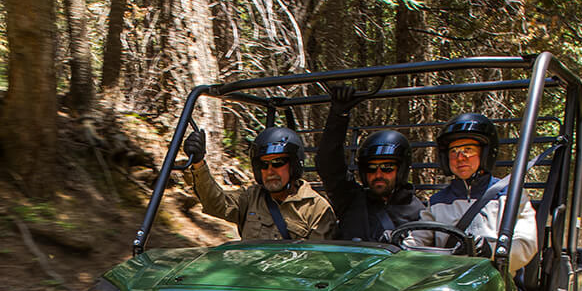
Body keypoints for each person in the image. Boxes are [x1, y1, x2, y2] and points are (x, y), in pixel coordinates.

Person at [416, 112, 538, 272]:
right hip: (447, 284)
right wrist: (397, 246)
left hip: (496, 282)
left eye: (468, 150)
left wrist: (491, 250)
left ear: (485, 153)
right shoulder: (438, 201)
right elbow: (417, 240)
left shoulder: (510, 196)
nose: (460, 158)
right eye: (454, 151)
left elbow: (526, 245)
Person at [181, 127, 335, 241]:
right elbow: (215, 203)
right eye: (263, 165)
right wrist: (198, 163)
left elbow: (319, 263)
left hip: (290, 282)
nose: (270, 171)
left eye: (278, 162)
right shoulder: (250, 198)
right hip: (249, 279)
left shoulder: (316, 208)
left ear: (294, 165)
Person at [315, 84, 424, 241]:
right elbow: (328, 165)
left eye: (387, 168)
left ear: (401, 170)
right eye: (371, 168)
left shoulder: (418, 212)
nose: (378, 174)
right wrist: (339, 115)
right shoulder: (351, 200)